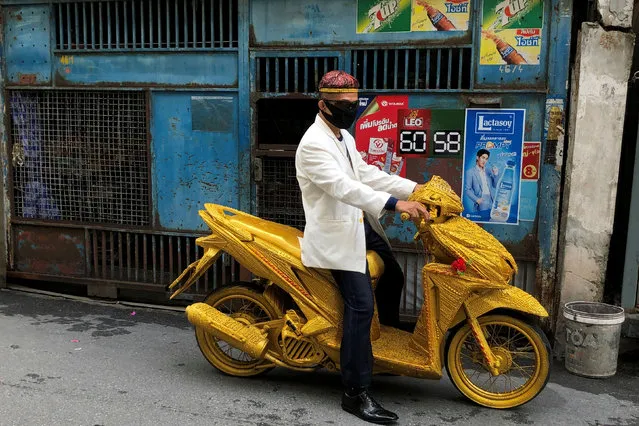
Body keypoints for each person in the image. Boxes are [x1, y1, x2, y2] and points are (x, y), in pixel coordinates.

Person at [295, 70, 429, 425]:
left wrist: (414, 189)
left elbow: (366, 175)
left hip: (358, 225)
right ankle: (355, 392)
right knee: (360, 305)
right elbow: (344, 188)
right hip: (336, 235)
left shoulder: (343, 137)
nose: (349, 110)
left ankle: (381, 350)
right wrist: (395, 204)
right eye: (342, 105)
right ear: (323, 105)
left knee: (394, 277)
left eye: (354, 104)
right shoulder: (313, 144)